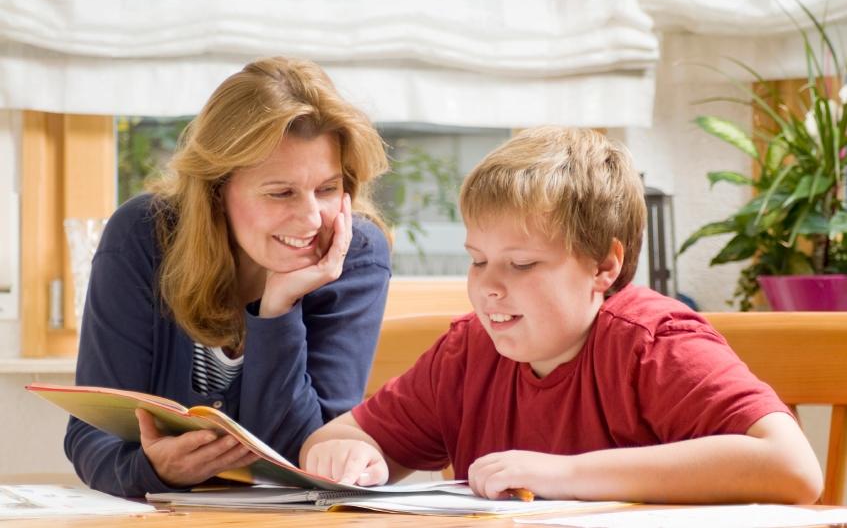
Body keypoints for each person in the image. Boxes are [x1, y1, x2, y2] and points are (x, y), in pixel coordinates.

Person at [300, 127, 823, 504]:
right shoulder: (468, 351)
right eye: (477, 260)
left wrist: (565, 474)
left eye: (522, 264)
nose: (489, 286)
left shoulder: (652, 343)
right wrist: (346, 456)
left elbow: (792, 467)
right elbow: (342, 438)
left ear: (604, 265)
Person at [66, 57, 392, 497]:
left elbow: (308, 456)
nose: (312, 218)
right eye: (281, 193)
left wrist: (278, 308)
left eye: (328, 189)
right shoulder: (143, 235)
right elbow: (90, 435)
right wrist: (152, 469)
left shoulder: (356, 257)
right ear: (217, 190)